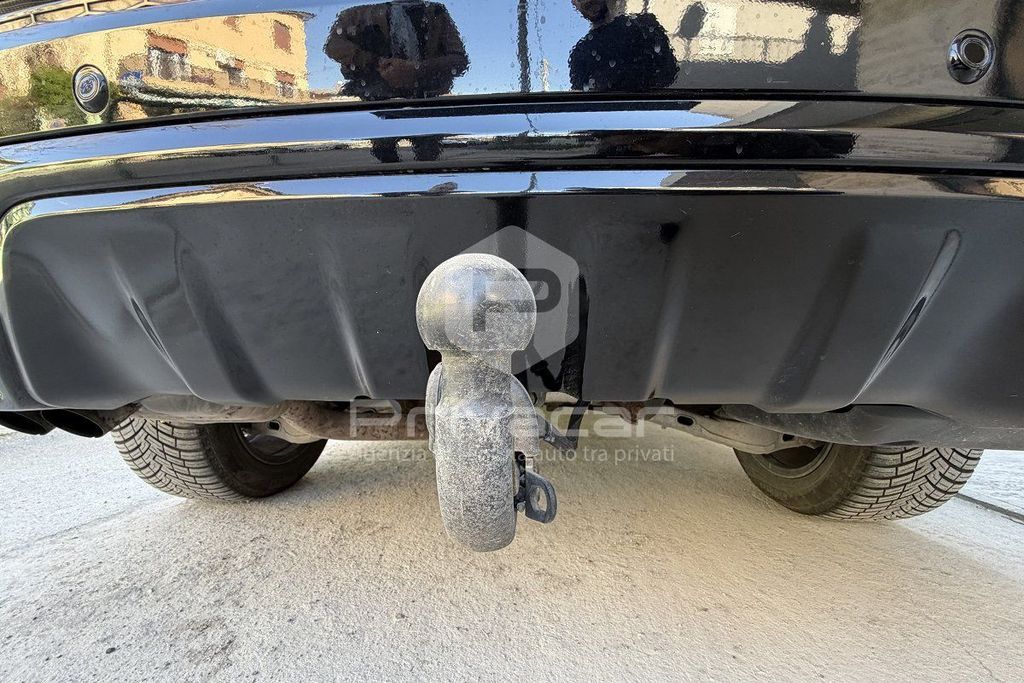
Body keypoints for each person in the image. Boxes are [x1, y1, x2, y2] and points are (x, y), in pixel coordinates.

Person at [324, 1, 468, 161]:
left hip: (426, 104)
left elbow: (459, 60)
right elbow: (333, 46)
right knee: (383, 159)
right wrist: (375, 62)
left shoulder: (436, 11)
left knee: (429, 160)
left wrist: (417, 70)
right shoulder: (355, 13)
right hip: (375, 104)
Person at [568, 0, 678, 92]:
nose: (585, 1)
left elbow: (669, 75)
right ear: (574, 4)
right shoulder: (579, 54)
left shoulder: (646, 26)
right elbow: (580, 102)